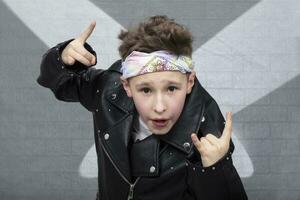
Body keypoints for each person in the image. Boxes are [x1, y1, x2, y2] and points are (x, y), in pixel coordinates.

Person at [37, 15, 248, 200]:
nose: (159, 107)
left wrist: (215, 169)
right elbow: (58, 83)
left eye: (172, 88)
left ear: (189, 82)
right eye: (146, 90)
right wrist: (63, 57)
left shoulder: (207, 128)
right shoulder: (109, 91)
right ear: (127, 86)